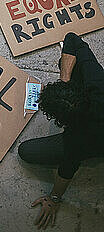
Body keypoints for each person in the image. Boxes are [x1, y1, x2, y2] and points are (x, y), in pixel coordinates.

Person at [18, 32, 104, 229]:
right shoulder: (98, 83)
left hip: (98, 141)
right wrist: (65, 81)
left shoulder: (79, 139)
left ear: (63, 121)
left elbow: (67, 170)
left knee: (27, 151)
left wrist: (54, 198)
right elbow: (72, 38)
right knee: (66, 61)